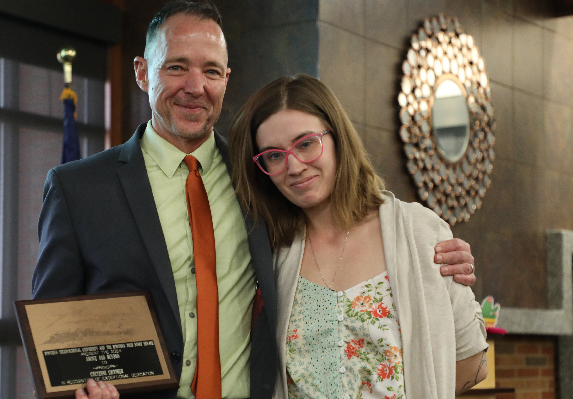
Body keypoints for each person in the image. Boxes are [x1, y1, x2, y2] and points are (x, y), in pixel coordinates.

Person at [31, 2, 476, 399]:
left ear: (226, 81)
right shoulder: (78, 190)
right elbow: (55, 333)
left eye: (210, 71)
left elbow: (349, 218)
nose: (194, 86)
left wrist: (436, 251)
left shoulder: (261, 178)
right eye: (175, 67)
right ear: (143, 72)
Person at [228, 74, 488, 399]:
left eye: (306, 143)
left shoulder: (418, 232)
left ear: (337, 138)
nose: (293, 166)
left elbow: (473, 361)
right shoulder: (271, 253)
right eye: (274, 155)